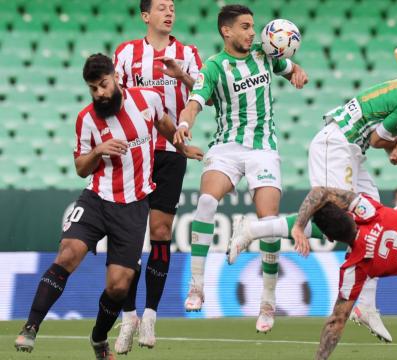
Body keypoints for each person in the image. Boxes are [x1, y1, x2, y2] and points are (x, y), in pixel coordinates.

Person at [227, 67, 397, 340]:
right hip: (337, 144)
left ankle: (365, 306)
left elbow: (378, 131)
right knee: (336, 218)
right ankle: (251, 229)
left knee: (374, 218)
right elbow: (378, 139)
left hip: (351, 148)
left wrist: (395, 146)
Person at [13, 54, 202, 359]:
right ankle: (31, 326)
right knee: (68, 253)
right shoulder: (87, 119)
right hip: (97, 200)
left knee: (118, 286)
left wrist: (182, 147)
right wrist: (99, 150)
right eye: (93, 88)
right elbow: (80, 168)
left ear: (115, 77)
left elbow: (166, 126)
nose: (99, 93)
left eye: (103, 84)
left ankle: (99, 339)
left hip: (133, 208)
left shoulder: (148, 100)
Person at [173, 4, 308, 333]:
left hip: (263, 148)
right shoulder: (214, 68)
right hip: (227, 146)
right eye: (245, 27)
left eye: (253, 27)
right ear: (226, 31)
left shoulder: (266, 53)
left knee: (269, 222)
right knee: (206, 201)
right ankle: (198, 285)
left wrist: (296, 73)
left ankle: (267, 300)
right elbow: (195, 102)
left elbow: (288, 65)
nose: (252, 32)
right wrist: (183, 122)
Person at [112, 0, 204, 353]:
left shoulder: (188, 52)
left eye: (173, 8)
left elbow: (203, 90)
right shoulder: (126, 53)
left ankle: (150, 315)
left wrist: (180, 73)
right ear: (145, 16)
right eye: (162, 7)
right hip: (135, 152)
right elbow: (113, 95)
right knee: (131, 237)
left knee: (161, 231)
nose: (169, 13)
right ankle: (128, 317)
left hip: (169, 152)